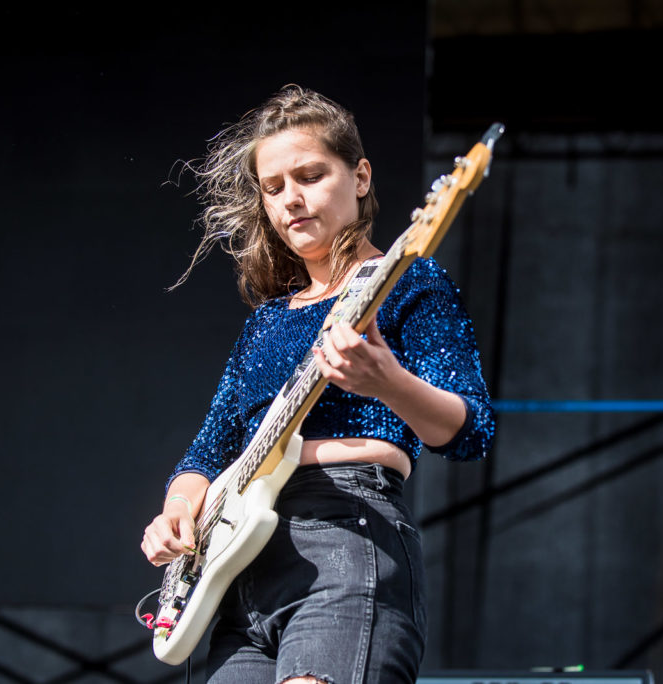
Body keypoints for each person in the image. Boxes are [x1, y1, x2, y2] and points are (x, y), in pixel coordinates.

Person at [141, 85, 494, 684]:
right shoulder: (267, 321)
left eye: (309, 176)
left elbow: (470, 429)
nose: (291, 200)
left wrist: (387, 383)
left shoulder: (411, 281)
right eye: (273, 187)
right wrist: (177, 509)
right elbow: (210, 448)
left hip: (344, 539)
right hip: (236, 576)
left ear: (360, 177)